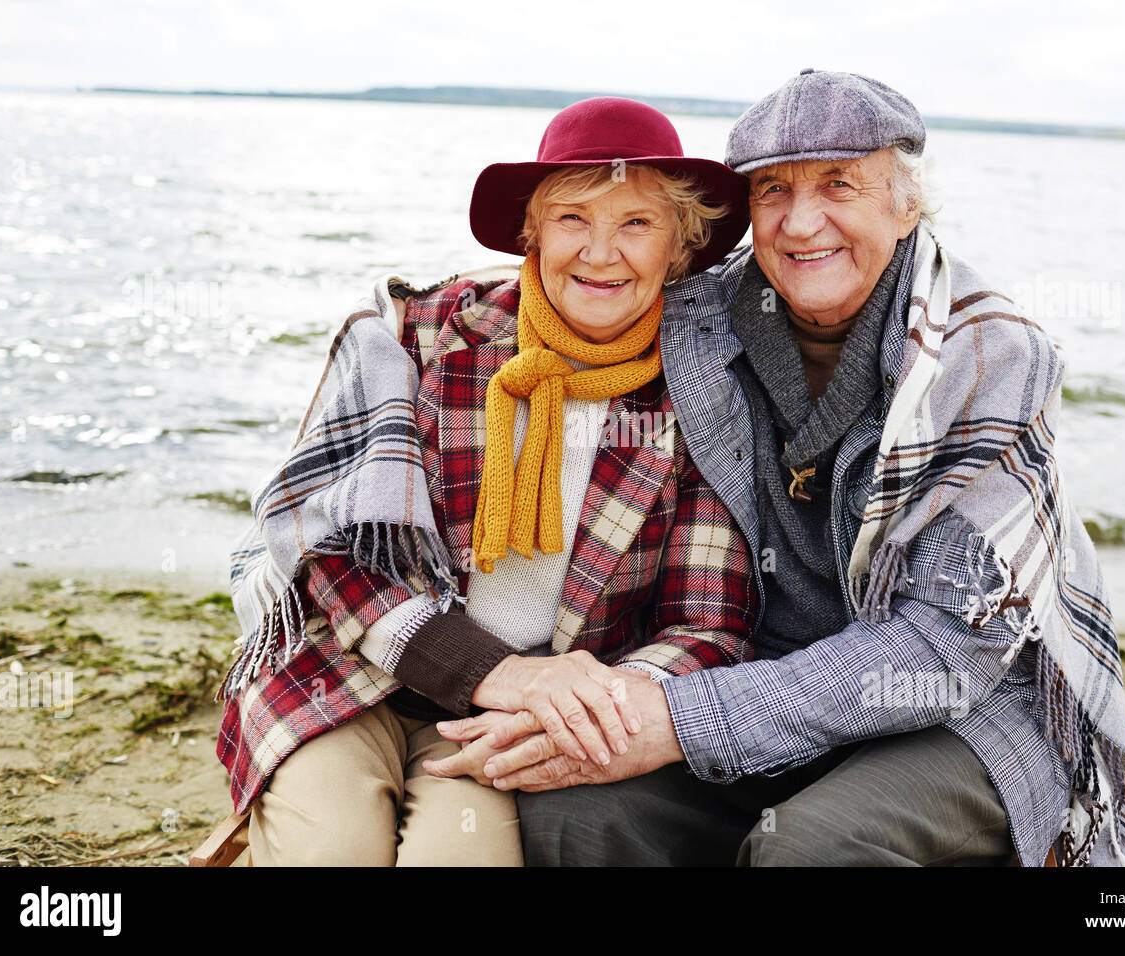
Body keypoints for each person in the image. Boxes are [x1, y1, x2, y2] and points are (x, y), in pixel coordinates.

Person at [433, 71, 1125, 867]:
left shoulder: (986, 354)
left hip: (961, 705)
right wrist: (405, 324)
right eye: (774, 190)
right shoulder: (702, 316)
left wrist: (676, 720)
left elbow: (952, 649)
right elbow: (575, 291)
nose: (803, 222)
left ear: (907, 202)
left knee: (813, 849)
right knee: (575, 814)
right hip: (758, 672)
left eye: (839, 184)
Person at [213, 96, 756, 865]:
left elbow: (707, 623)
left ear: (680, 246)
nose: (601, 253)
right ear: (530, 233)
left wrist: (585, 706)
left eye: (636, 223)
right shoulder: (418, 332)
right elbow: (324, 540)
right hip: (344, 669)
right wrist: (497, 673)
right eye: (572, 219)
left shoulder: (702, 398)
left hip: (512, 720)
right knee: (330, 851)